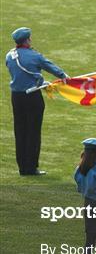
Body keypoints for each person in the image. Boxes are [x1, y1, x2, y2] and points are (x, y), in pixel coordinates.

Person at [5, 27, 69, 175]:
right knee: (33, 131)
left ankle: (22, 167)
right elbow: (49, 65)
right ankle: (31, 167)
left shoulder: (10, 55)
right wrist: (62, 74)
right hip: (32, 97)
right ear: (27, 40)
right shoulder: (34, 56)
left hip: (16, 97)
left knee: (20, 130)